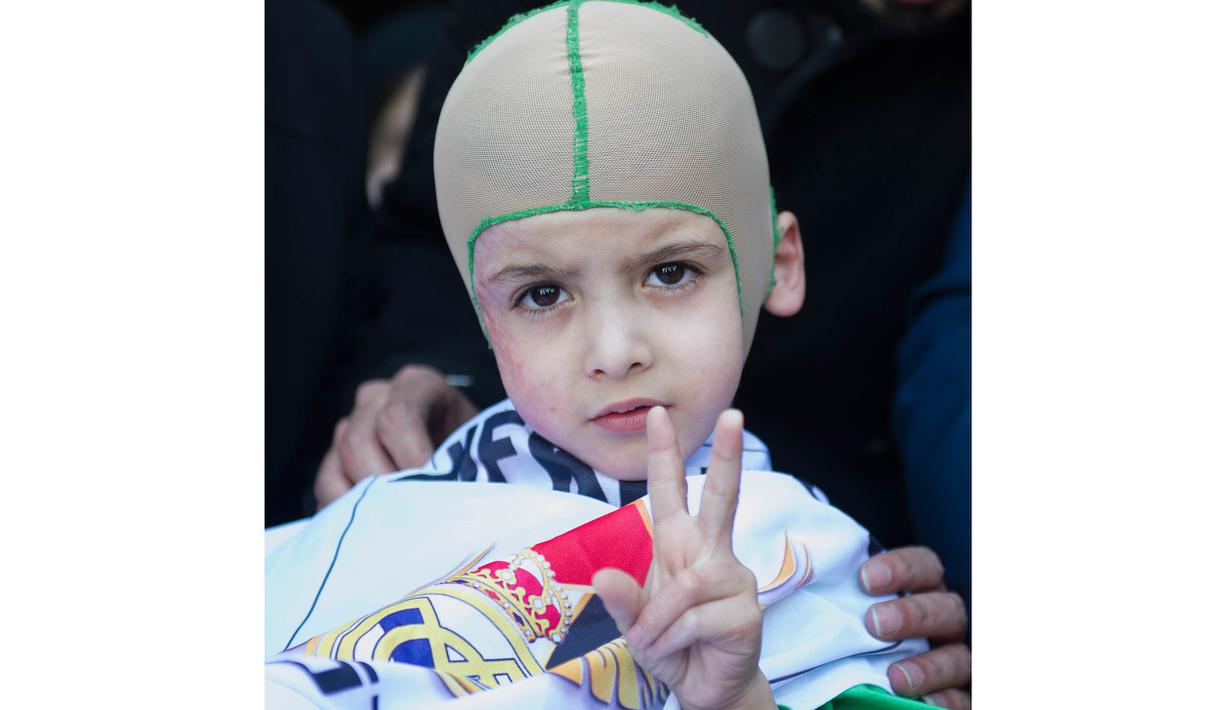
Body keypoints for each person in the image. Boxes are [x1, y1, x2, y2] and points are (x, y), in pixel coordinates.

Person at [266, 2, 967, 708]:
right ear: (480, 310)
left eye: (670, 272)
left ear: (778, 265)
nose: (614, 351)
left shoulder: (816, 557)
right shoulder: (384, 519)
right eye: (542, 294)